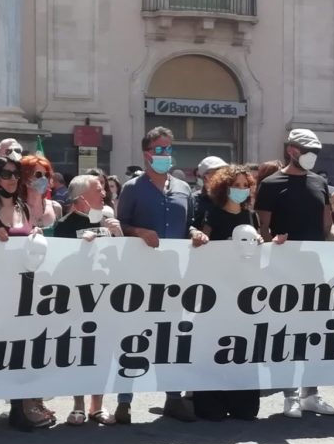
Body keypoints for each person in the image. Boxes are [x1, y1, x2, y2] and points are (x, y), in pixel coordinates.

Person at [116, 127, 211, 424]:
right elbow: (120, 226)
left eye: (169, 149)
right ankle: (124, 401)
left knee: (173, 337)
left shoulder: (183, 189)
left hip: (175, 276)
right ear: (147, 154)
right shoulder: (132, 188)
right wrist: (138, 232)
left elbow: (189, 225)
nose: (165, 154)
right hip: (140, 276)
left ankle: (172, 398)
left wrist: (195, 233)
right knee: (133, 337)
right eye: (159, 149)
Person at [254, 128, 334, 418]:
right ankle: (290, 394)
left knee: (315, 332)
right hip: (283, 269)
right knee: (288, 332)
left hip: (315, 268)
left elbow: (328, 228)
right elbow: (263, 228)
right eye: (308, 151)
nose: (312, 156)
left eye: (316, 151)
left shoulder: (319, 183)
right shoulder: (270, 183)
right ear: (292, 150)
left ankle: (311, 393)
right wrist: (271, 247)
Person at [0, 156, 46, 433]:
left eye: (15, 174)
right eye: (5, 174)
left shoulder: (23, 208)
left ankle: (17, 410)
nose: (12, 179)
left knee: (19, 351)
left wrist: (35, 234)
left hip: (22, 289)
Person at [193, 164, 262, 423]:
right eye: (237, 185)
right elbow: (202, 248)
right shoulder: (212, 215)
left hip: (244, 296)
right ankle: (211, 401)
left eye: (246, 186)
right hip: (217, 296)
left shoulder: (251, 217)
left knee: (242, 348)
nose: (242, 190)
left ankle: (242, 401)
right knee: (215, 347)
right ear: (224, 188)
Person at [53, 173, 123, 425]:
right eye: (98, 189)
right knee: (79, 350)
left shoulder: (108, 220)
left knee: (102, 352)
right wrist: (79, 247)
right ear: (82, 197)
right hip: (77, 299)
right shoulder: (64, 225)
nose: (103, 193)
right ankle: (78, 405)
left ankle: (98, 406)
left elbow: (122, 261)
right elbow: (58, 265)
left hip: (106, 297)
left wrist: (119, 235)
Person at [20, 153, 62, 230]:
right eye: (38, 174)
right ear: (25, 178)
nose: (43, 179)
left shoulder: (56, 207)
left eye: (47, 175)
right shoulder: (16, 209)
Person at [194, 155, 227, 231]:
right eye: (216, 173)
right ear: (205, 177)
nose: (222, 177)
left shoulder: (231, 198)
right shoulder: (193, 200)